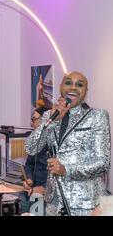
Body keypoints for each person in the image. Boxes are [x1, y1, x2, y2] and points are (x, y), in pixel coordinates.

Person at [26, 71, 111, 216]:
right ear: (60, 87)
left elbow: (103, 162)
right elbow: (31, 148)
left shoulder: (97, 116)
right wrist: (53, 122)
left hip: (86, 205)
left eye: (80, 85)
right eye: (68, 83)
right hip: (53, 204)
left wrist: (67, 170)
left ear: (85, 92)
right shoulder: (49, 115)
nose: (73, 87)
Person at [19, 106, 49, 213]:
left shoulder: (53, 142)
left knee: (36, 200)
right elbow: (29, 164)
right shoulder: (35, 141)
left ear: (44, 120)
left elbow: (59, 173)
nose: (31, 124)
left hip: (47, 191)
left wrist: (44, 188)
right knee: (16, 198)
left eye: (34, 119)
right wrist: (29, 179)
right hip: (33, 188)